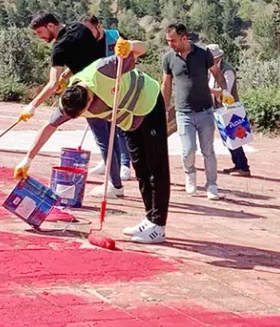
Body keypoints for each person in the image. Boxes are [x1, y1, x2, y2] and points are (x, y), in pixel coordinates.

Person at [17, 38, 171, 244]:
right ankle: (150, 218)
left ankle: (158, 226)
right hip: (130, 121)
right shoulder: (70, 100)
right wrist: (27, 159)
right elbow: (49, 126)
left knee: (156, 165)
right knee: (140, 166)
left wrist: (130, 46)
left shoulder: (104, 70)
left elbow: (142, 49)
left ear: (89, 99)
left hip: (148, 102)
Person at [19, 13, 130, 198]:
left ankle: (116, 186)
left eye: (40, 32)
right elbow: (86, 58)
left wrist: (32, 105)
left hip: (87, 94)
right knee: (109, 137)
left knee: (100, 138)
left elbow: (52, 85)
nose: (40, 36)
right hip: (108, 87)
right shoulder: (80, 28)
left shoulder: (59, 48)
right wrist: (66, 75)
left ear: (51, 26)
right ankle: (115, 181)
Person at [162, 24, 228, 200]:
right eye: (168, 41)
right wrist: (164, 107)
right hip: (183, 112)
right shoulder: (168, 58)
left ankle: (212, 185)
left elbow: (216, 72)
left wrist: (225, 90)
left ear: (184, 38)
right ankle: (190, 176)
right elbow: (166, 84)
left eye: (173, 40)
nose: (170, 44)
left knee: (208, 150)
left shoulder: (202, 53)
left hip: (205, 111)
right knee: (188, 149)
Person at [207, 44, 251, 177]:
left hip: (229, 109)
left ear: (217, 58)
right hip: (220, 109)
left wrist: (205, 89)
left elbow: (225, 91)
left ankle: (243, 167)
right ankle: (237, 164)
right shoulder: (211, 69)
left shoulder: (227, 70)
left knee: (235, 137)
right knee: (228, 138)